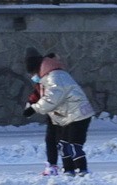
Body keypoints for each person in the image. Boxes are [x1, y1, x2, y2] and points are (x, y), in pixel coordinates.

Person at [23, 48, 95, 176]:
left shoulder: (55, 76)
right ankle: (68, 170)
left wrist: (34, 108)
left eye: (33, 73)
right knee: (63, 144)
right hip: (66, 116)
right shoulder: (47, 77)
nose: (33, 77)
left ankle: (81, 170)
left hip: (77, 115)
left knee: (73, 145)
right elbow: (39, 93)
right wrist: (31, 103)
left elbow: (52, 98)